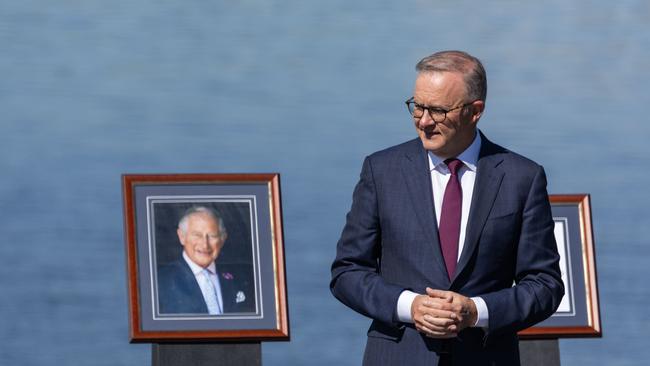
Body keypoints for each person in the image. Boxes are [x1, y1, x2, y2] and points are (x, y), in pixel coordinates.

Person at [330, 50, 564, 365]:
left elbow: (544, 285)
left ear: (475, 111)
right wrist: (409, 306)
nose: (424, 121)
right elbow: (347, 273)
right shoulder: (381, 171)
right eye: (417, 107)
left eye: (438, 110)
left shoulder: (522, 178)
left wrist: (476, 312)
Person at [157, 206, 255, 315]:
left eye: (212, 236)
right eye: (197, 235)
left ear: (223, 239)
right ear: (182, 237)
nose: (205, 244)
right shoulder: (160, 282)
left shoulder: (244, 278)